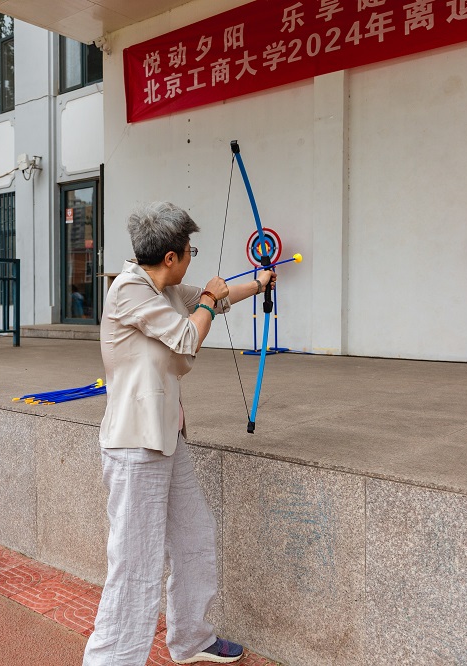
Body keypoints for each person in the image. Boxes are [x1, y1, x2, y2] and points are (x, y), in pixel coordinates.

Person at [83, 202, 275, 665]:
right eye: (190, 250)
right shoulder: (130, 291)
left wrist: (259, 282)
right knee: (135, 565)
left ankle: (191, 638)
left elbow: (215, 298)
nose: (192, 256)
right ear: (171, 256)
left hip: (168, 436)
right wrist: (208, 299)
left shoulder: (163, 287)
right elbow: (190, 334)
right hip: (135, 445)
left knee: (195, 537)